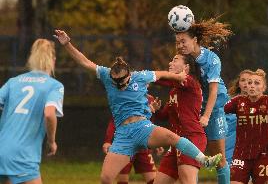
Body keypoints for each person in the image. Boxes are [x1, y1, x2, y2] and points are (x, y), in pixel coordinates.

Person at [54, 29, 222, 184]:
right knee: (105, 179)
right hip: (123, 135)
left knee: (172, 139)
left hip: (143, 128)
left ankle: (204, 159)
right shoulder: (106, 75)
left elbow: (162, 74)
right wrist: (67, 44)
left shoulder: (140, 77)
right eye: (116, 82)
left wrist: (179, 77)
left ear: (129, 75)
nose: (120, 85)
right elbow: (85, 62)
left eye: (123, 82)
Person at [175, 17, 233, 184]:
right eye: (178, 42)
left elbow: (213, 90)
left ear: (194, 40)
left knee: (219, 158)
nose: (180, 45)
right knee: (189, 158)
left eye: (183, 41)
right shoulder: (183, 59)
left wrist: (206, 115)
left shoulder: (211, 58)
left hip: (213, 110)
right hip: (193, 111)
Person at [0, 39, 64, 184]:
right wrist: (51, 141)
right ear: (53, 60)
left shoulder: (13, 81)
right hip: (22, 155)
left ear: (31, 58)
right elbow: (49, 114)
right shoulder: (54, 86)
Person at [152, 54, 206, 184]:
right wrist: (157, 109)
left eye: (175, 60)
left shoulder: (190, 82)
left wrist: (147, 76)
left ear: (186, 67)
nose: (170, 63)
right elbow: (165, 116)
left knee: (187, 181)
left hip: (192, 138)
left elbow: (164, 80)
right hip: (176, 142)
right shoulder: (174, 90)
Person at [225, 70, 268, 184]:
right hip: (241, 156)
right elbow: (218, 110)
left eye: (257, 83)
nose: (252, 85)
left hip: (264, 156)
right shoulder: (238, 102)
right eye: (250, 82)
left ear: (264, 87)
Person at [102, 94, 162, 184]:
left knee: (153, 179)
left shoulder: (150, 99)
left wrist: (155, 141)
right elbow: (114, 121)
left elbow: (149, 123)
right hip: (125, 145)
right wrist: (107, 141)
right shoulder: (124, 97)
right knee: (122, 179)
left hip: (142, 146)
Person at [225, 69, 254, 165]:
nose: (246, 83)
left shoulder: (262, 102)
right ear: (238, 84)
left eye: (249, 80)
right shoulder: (228, 100)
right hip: (229, 144)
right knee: (229, 175)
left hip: (250, 146)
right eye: (243, 80)